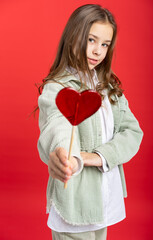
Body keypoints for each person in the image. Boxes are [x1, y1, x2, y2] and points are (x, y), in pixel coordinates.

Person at [37, 4, 143, 240]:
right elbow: (57, 125)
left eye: (105, 44)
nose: (97, 51)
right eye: (91, 40)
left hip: (105, 200)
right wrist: (66, 156)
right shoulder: (58, 87)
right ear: (73, 36)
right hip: (75, 205)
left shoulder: (109, 88)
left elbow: (132, 132)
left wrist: (97, 156)